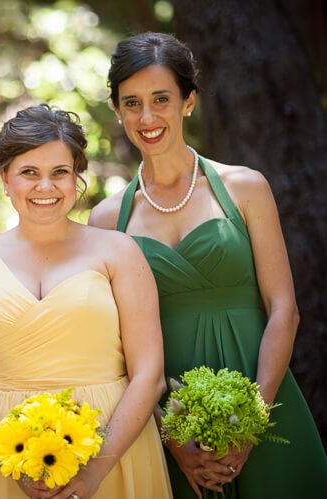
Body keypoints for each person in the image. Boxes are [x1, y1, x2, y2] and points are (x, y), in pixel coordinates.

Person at [88, 31, 327, 498]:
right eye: (132, 103)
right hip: (171, 416)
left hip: (263, 396)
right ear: (116, 110)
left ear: (188, 101)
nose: (148, 116)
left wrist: (253, 418)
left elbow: (284, 309)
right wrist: (170, 437)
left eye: (161, 99)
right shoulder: (105, 218)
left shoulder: (245, 188)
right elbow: (114, 348)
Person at [0, 104, 173, 499]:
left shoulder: (119, 252)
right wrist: (13, 463)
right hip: (5, 452)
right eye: (29, 173)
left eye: (59, 173)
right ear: (5, 178)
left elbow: (149, 375)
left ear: (76, 179)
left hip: (112, 447)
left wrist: (96, 470)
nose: (45, 187)